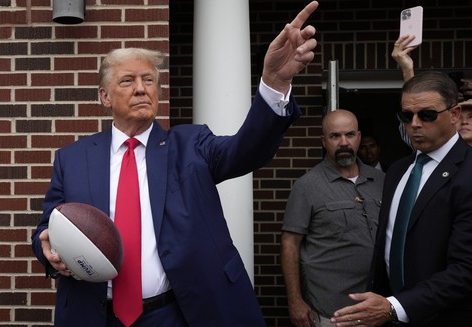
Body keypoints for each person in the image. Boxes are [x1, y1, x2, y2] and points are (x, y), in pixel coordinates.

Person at [31, 2, 320, 326]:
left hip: (175, 315)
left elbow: (246, 150)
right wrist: (47, 248)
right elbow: (47, 227)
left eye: (149, 80)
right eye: (127, 81)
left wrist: (274, 83)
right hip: (93, 315)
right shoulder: (72, 158)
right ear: (105, 97)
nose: (142, 88)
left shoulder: (191, 145)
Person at [331, 70, 472, 326]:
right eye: (407, 116)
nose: (415, 124)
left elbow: (466, 269)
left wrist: (394, 307)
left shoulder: (468, 173)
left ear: (454, 115)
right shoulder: (397, 171)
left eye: (427, 115)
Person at [281, 110, 385, 327]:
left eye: (349, 134)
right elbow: (290, 244)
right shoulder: (307, 186)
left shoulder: (382, 181)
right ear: (323, 140)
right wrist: (295, 301)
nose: (344, 142)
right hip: (331, 311)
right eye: (335, 136)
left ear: (358, 137)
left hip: (379, 306)